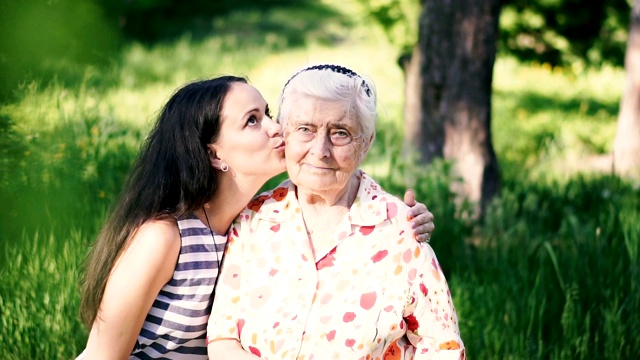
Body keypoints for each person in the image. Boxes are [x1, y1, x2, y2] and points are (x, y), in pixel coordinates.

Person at [78, 75, 435, 359]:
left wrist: (401, 218)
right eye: (252, 121)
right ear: (214, 154)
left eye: (268, 113)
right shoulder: (165, 237)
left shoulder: (256, 225)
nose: (275, 127)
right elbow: (101, 355)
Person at [206, 65, 464, 359]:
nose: (320, 150)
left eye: (340, 133)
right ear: (283, 132)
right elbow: (223, 338)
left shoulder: (401, 232)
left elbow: (442, 348)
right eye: (305, 129)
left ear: (365, 144)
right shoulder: (253, 218)